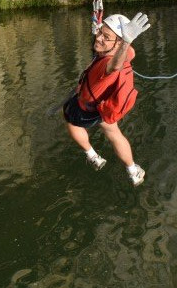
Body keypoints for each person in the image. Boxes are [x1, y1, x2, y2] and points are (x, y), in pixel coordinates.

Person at [63, 12, 150, 186]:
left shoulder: (107, 65)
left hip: (84, 110)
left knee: (70, 121)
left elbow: (114, 67)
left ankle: (92, 156)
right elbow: (126, 52)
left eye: (106, 36)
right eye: (100, 32)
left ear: (119, 44)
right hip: (102, 108)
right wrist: (124, 43)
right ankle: (133, 170)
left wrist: (126, 40)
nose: (99, 37)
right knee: (114, 133)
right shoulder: (126, 54)